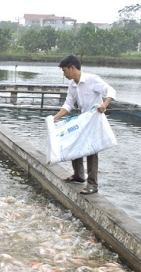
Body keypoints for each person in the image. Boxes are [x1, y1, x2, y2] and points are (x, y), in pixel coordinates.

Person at [53, 54, 116, 195]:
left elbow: (110, 91)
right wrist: (55, 118)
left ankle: (92, 184)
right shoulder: (72, 86)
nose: (64, 74)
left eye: (65, 71)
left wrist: (104, 104)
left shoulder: (92, 80)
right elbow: (68, 104)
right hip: (83, 119)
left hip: (94, 119)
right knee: (75, 143)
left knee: (92, 151)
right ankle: (79, 175)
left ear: (72, 68)